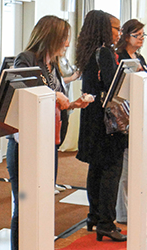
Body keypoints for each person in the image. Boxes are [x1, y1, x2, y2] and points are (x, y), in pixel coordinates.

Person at [7, 15, 90, 250]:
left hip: (48, 142)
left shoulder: (52, 64)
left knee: (42, 203)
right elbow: (24, 93)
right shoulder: (26, 59)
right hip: (26, 145)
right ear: (51, 37)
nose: (66, 44)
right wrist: (56, 96)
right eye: (64, 39)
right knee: (24, 206)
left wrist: (72, 104)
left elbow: (53, 101)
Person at [75, 10, 127, 242]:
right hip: (108, 122)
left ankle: (94, 216)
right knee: (111, 170)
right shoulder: (105, 53)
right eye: (116, 28)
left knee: (96, 168)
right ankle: (106, 223)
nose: (119, 33)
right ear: (105, 29)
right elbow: (114, 85)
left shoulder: (87, 52)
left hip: (92, 118)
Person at [115, 19, 147, 224]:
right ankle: (122, 212)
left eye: (144, 35)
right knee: (124, 169)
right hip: (124, 117)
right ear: (126, 36)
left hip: (140, 115)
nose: (142, 39)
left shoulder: (141, 57)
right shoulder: (120, 58)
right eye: (138, 35)